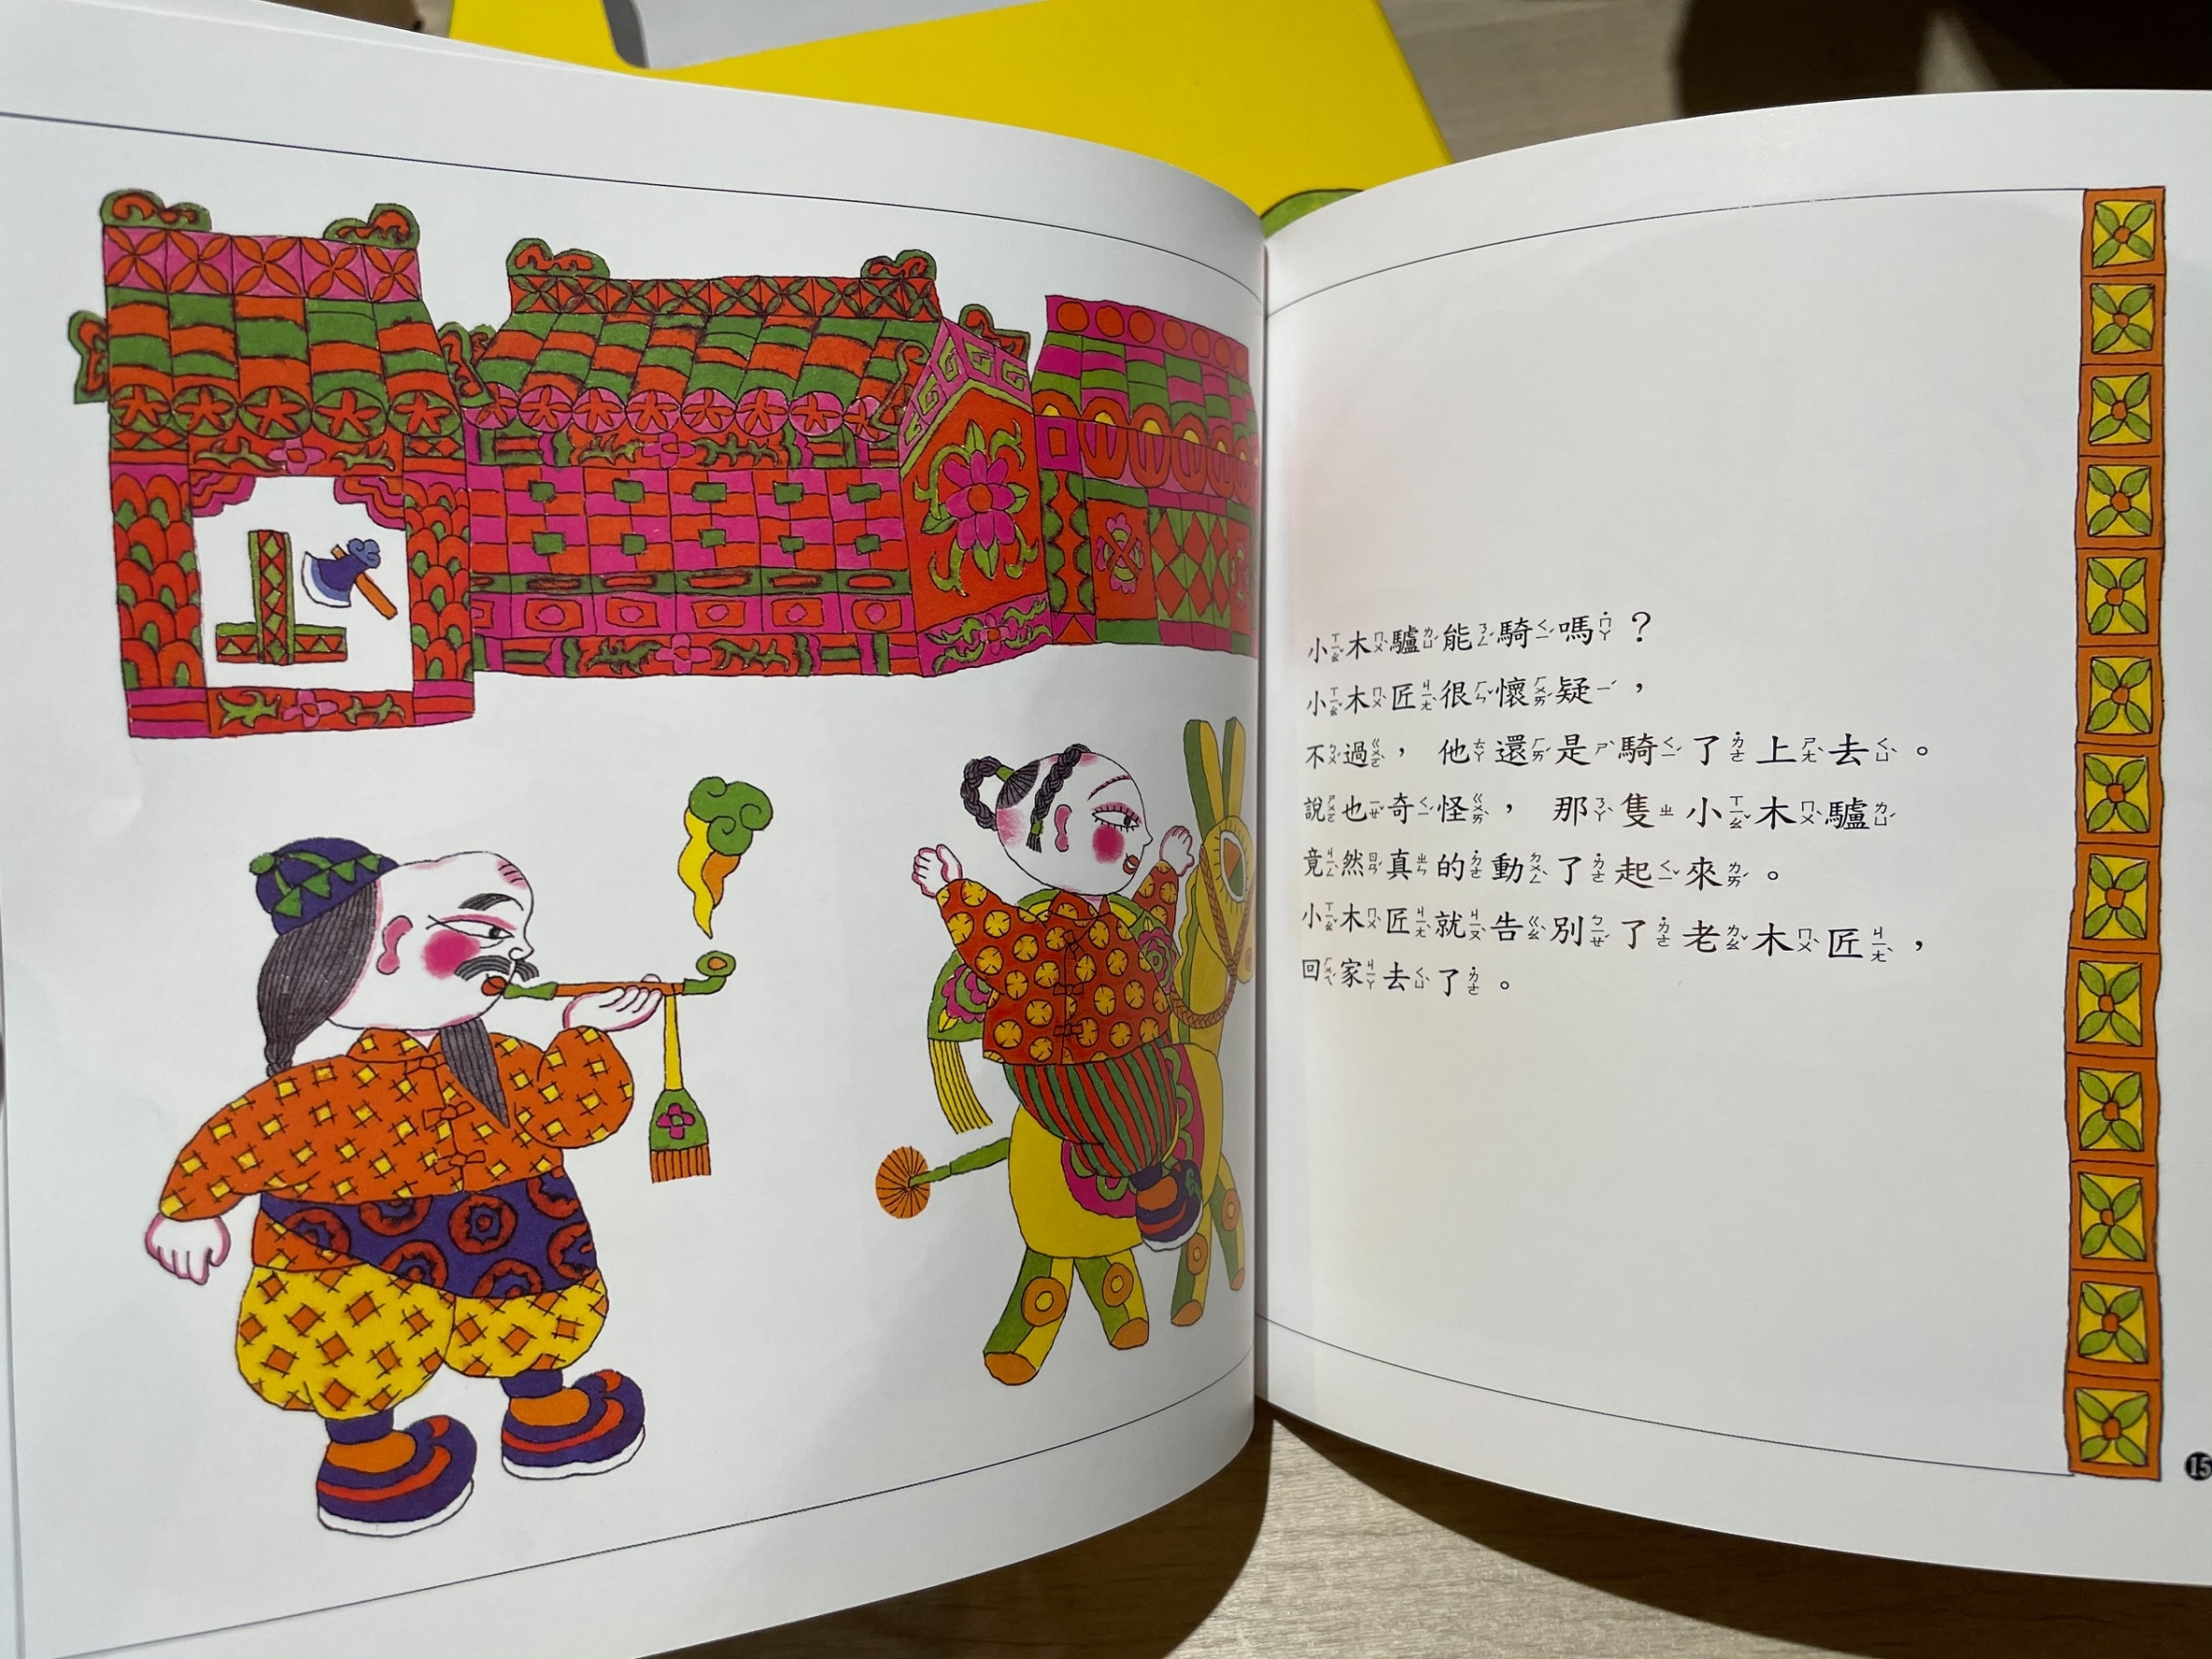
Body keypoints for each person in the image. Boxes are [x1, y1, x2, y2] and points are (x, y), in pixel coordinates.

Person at [144, 838, 661, 1536]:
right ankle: (370, 1463)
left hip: (509, 1229)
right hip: (344, 1249)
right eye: (492, 930)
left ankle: (544, 1414)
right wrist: (189, 1211)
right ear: (390, 944)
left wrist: (585, 1035)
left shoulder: (504, 1063)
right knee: (348, 1342)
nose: (519, 954)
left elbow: (575, 1116)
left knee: (528, 1316)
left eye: (518, 936)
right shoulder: (312, 1094)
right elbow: (238, 1140)